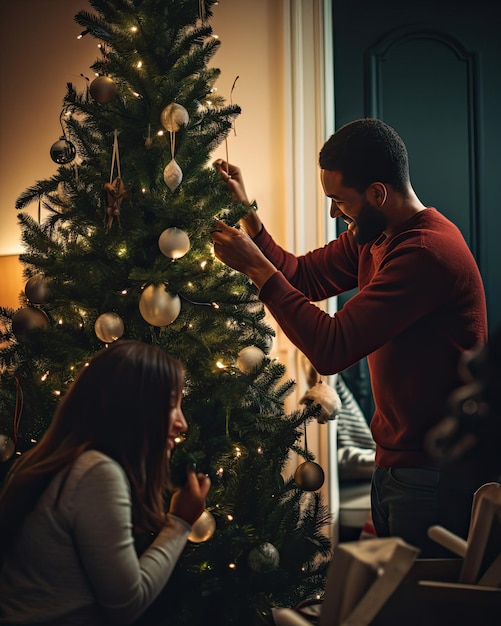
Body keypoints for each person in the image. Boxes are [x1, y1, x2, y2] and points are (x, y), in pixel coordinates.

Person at [211, 117, 489, 557]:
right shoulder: (374, 234)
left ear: (378, 194)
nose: (333, 212)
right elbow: (301, 276)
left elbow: (332, 347)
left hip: (432, 473)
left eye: (339, 201)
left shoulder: (425, 253)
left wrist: (255, 268)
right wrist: (248, 213)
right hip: (397, 465)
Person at [0, 340, 211, 625]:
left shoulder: (53, 462)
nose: (182, 423)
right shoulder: (97, 473)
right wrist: (180, 523)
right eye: (172, 404)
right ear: (137, 406)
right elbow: (126, 604)